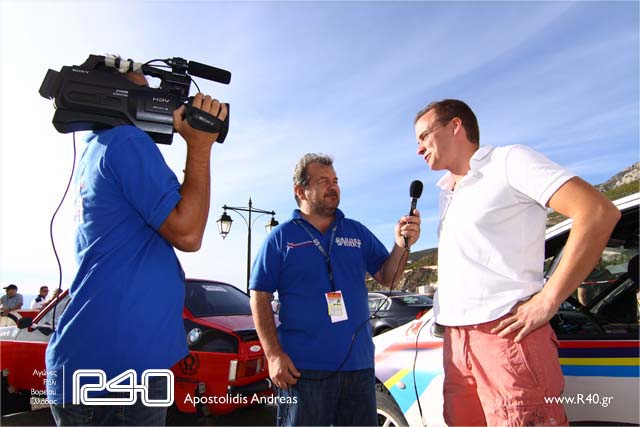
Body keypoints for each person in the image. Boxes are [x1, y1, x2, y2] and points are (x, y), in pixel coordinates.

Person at [414, 99, 620, 426]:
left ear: (455, 126)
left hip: (506, 335)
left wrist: (549, 299)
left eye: (425, 136)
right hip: (456, 343)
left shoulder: (509, 161)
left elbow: (597, 212)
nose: (419, 148)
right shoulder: (446, 192)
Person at [45, 66, 227, 426]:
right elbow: (188, 232)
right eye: (146, 92)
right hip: (119, 369)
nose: (159, 103)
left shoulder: (99, 146)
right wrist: (201, 144)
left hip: (99, 363)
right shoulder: (125, 140)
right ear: (113, 95)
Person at [250, 153, 421, 426]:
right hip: (302, 371)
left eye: (336, 180)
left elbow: (387, 277)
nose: (334, 187)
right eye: (323, 181)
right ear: (300, 191)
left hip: (359, 368)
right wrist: (273, 355)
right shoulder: (280, 238)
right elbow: (259, 296)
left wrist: (401, 246)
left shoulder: (356, 232)